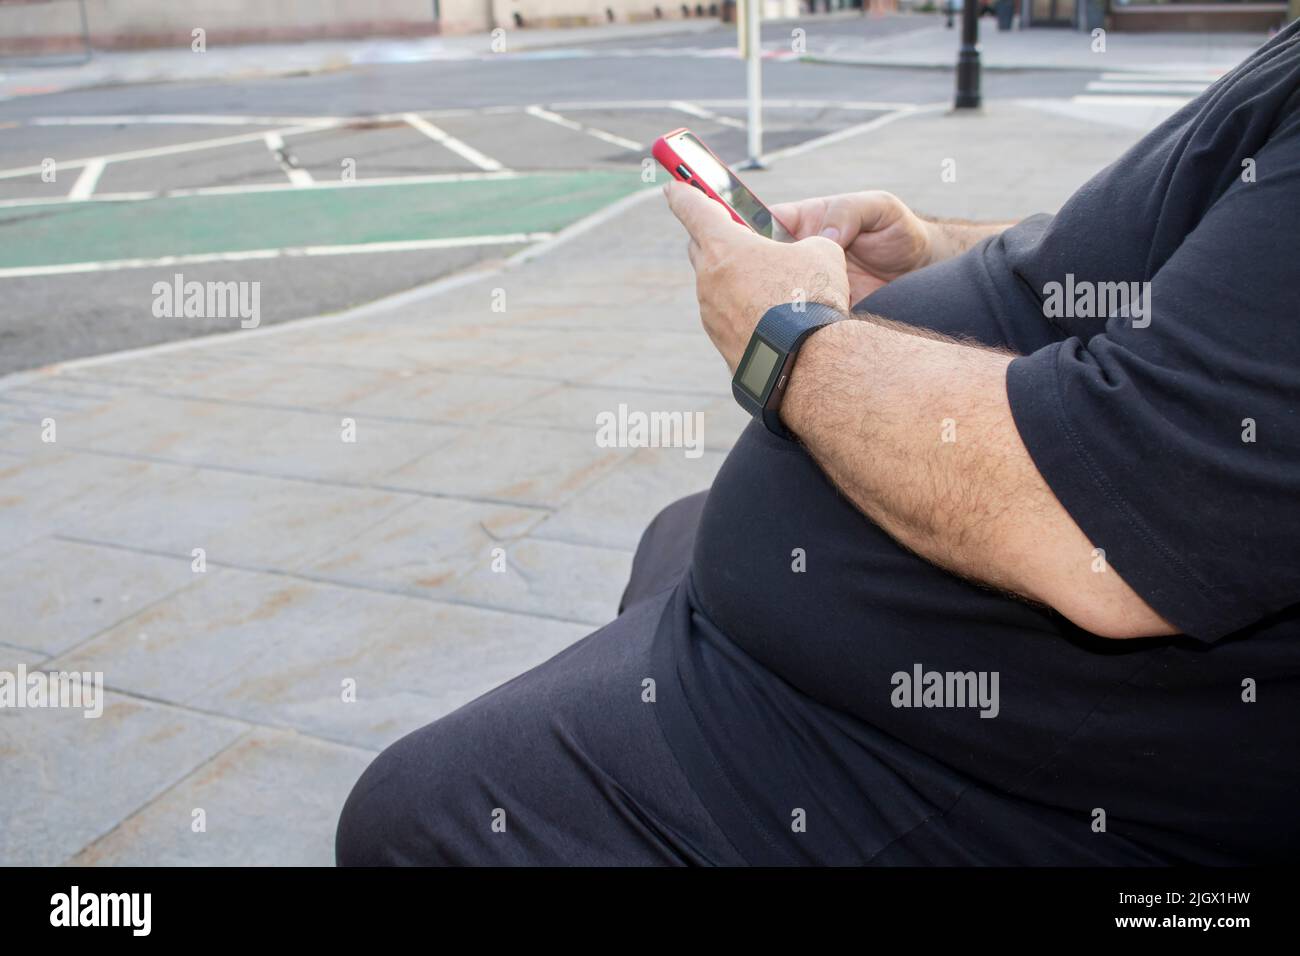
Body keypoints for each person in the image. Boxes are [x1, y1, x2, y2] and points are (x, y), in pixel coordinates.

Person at [336, 23, 1300, 865]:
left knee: (419, 814)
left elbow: (1102, 530)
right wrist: (932, 252)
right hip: (858, 663)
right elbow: (1176, 264)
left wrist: (786, 336)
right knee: (677, 534)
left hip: (981, 779)